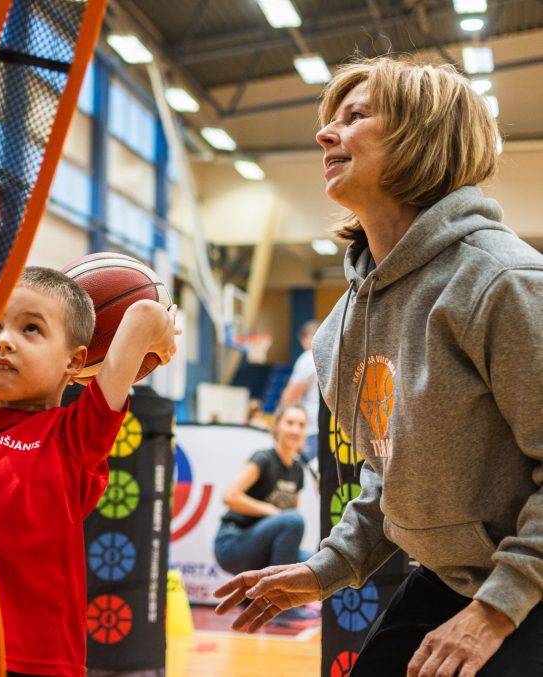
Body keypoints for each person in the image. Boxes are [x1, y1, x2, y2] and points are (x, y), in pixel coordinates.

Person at [213, 55, 543, 676]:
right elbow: (390, 473)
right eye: (330, 120)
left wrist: (496, 610)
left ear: (423, 136)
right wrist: (327, 568)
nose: (325, 134)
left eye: (355, 117)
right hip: (455, 577)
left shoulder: (506, 282)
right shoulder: (339, 329)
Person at [0, 266, 178, 676]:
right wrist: (18, 312)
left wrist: (162, 335)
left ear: (75, 360)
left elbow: (143, 314)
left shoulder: (75, 437)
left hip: (35, 666)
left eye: (31, 329)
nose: (5, 341)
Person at [213, 403, 318, 624]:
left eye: (301, 425)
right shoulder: (263, 458)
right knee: (292, 520)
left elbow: (289, 522)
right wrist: (269, 510)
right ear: (277, 426)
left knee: (312, 562)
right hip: (233, 543)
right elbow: (230, 496)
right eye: (290, 423)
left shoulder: (297, 470)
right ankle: (279, 606)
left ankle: (257, 600)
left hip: (261, 548)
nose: (295, 429)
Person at [279, 320, 320, 462]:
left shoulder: (308, 357)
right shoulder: (329, 356)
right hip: (324, 428)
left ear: (307, 338)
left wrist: (278, 424)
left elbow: (290, 398)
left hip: (308, 429)